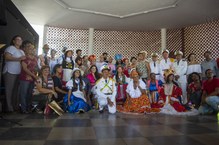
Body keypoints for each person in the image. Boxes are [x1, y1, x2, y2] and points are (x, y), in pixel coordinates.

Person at [3, 35, 26, 112]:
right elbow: (7, 57)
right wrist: (18, 59)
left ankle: (14, 106)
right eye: (17, 39)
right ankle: (8, 108)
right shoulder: (10, 48)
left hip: (18, 72)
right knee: (9, 90)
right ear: (13, 41)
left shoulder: (22, 51)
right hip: (10, 71)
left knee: (16, 91)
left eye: (21, 40)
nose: (19, 41)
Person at [19, 42, 37, 113]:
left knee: (30, 93)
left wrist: (35, 74)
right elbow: (25, 68)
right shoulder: (24, 57)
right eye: (30, 48)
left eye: (33, 48)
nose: (31, 50)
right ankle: (23, 109)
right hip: (24, 78)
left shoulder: (35, 58)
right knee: (23, 93)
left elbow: (35, 68)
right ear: (26, 49)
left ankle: (28, 107)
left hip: (32, 78)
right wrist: (33, 75)